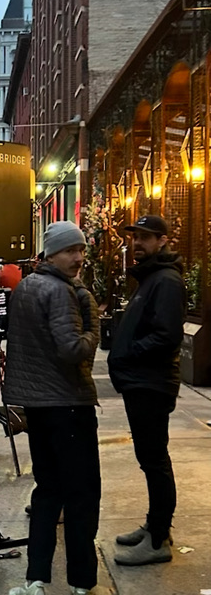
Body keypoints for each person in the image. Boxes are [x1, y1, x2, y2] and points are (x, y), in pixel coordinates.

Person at [3, 221, 100, 595]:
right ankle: (81, 586)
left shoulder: (26, 286)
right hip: (69, 407)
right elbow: (73, 350)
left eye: (81, 250)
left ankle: (36, 580)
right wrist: (95, 327)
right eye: (70, 251)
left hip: (38, 409)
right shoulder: (61, 292)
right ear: (50, 254)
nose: (78, 258)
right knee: (81, 496)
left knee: (47, 493)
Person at [107, 214, 185, 566]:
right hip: (143, 382)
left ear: (162, 241)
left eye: (146, 237)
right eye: (135, 237)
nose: (137, 243)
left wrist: (128, 353)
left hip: (150, 384)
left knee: (154, 461)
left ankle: (156, 541)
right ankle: (156, 527)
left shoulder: (165, 281)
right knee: (151, 459)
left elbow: (167, 336)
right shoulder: (152, 277)